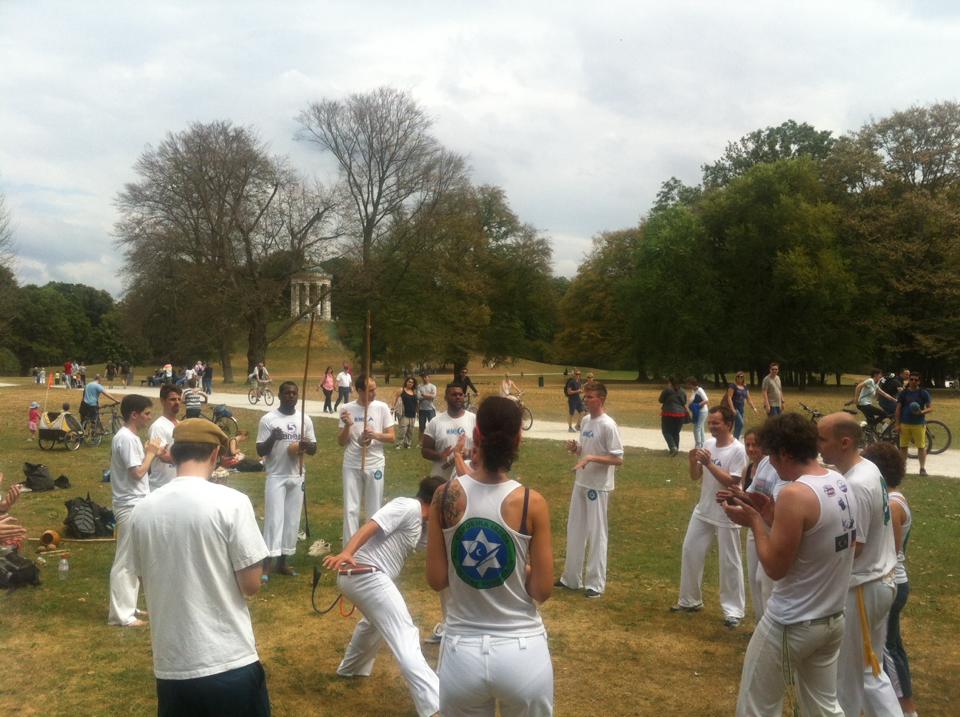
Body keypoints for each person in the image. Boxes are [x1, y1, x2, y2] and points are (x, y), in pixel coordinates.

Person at [128, 419, 270, 717]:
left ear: (174, 454)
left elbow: (144, 578)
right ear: (215, 454)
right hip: (228, 658)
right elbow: (251, 584)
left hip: (172, 667)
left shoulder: (141, 511)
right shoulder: (233, 503)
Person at [722, 412, 857, 717]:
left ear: (784, 453)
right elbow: (815, 540)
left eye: (771, 456)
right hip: (832, 618)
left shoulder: (795, 494)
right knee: (824, 708)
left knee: (756, 706)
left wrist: (755, 521)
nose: (770, 463)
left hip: (792, 621)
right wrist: (770, 515)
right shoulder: (838, 480)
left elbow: (774, 568)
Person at [426, 396, 555, 717]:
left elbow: (437, 579)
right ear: (519, 439)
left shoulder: (444, 496)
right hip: (522, 652)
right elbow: (542, 589)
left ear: (476, 436)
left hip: (461, 652)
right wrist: (515, 567)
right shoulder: (531, 503)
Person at [322, 476, 445, 717]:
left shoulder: (422, 523)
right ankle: (436, 704)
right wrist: (347, 551)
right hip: (365, 573)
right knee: (405, 633)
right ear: (436, 500)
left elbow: (435, 548)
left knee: (373, 623)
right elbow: (373, 524)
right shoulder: (408, 506)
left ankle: (351, 668)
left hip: (361, 576)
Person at [817, 412, 901, 717]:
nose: (818, 445)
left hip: (864, 589)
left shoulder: (855, 484)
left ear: (845, 442)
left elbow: (856, 545)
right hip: (879, 582)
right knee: (869, 672)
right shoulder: (868, 468)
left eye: (822, 439)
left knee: (850, 678)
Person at [671, 406, 747, 628]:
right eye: (710, 422)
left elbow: (732, 482)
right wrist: (692, 462)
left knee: (729, 561)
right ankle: (689, 600)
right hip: (703, 510)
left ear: (729, 424)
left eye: (717, 423)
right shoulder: (708, 444)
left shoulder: (738, 450)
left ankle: (734, 611)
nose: (712, 426)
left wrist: (709, 463)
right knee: (690, 551)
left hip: (727, 511)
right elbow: (696, 477)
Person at [858, 445, 918, 717]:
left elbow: (889, 552)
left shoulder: (892, 504)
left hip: (892, 581)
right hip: (892, 580)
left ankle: (906, 709)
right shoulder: (892, 499)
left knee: (888, 650)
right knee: (891, 646)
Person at [556, 380, 623, 599]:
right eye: (585, 396)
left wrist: (592, 458)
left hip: (598, 487)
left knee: (597, 533)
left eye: (590, 397)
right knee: (574, 529)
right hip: (581, 482)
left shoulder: (608, 424)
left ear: (601, 399)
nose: (585, 400)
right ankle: (571, 578)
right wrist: (577, 449)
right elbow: (584, 450)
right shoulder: (585, 421)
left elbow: (617, 458)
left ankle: (595, 583)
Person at [108, 394, 163, 627]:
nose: (149, 418)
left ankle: (130, 606)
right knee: (126, 561)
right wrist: (151, 452)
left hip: (137, 502)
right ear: (134, 414)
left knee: (137, 559)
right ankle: (121, 615)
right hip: (129, 505)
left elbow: (141, 472)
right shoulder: (127, 439)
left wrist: (153, 454)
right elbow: (138, 473)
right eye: (147, 413)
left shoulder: (130, 437)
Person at [256, 381, 317, 577]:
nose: (291, 396)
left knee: (291, 521)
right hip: (276, 475)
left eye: (294, 393)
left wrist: (306, 445)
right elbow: (260, 450)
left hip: (297, 475)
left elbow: (314, 449)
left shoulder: (304, 419)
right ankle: (266, 564)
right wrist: (273, 437)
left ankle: (282, 562)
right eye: (287, 393)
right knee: (274, 520)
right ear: (280, 395)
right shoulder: (269, 419)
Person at [337, 374, 396, 544]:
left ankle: (372, 547)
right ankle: (349, 548)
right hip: (352, 463)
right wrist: (348, 425)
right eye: (370, 390)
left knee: (374, 507)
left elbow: (391, 437)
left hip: (374, 463)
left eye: (375, 389)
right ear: (359, 391)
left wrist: (374, 435)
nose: (374, 393)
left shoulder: (381, 408)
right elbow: (341, 442)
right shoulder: (347, 408)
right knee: (351, 508)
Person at [742, 429, 787, 621]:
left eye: (757, 444)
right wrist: (735, 498)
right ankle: (760, 623)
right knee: (754, 578)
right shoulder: (761, 465)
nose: (752, 449)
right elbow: (750, 492)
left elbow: (776, 506)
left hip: (772, 530)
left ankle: (770, 623)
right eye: (748, 445)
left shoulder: (781, 468)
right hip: (757, 525)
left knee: (766, 580)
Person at [896, 372, 932, 476]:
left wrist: (921, 412)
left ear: (919, 381)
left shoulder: (923, 393)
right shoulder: (903, 393)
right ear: (909, 380)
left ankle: (922, 469)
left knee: (921, 447)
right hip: (905, 423)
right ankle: (902, 469)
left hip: (919, 424)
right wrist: (897, 424)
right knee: (903, 447)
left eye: (916, 380)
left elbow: (930, 408)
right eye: (911, 379)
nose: (913, 381)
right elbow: (898, 409)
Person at [148, 384, 182, 492]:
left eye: (179, 399)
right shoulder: (158, 427)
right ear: (162, 401)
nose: (177, 402)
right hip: (161, 487)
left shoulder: (180, 425)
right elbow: (162, 455)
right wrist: (188, 462)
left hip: (177, 485)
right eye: (172, 399)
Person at [723, 371, 758, 440]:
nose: (740, 378)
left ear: (743, 378)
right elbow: (729, 397)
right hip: (734, 408)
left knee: (738, 425)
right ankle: (734, 439)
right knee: (741, 423)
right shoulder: (733, 386)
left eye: (741, 377)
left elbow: (748, 399)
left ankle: (735, 439)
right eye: (738, 376)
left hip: (741, 408)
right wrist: (732, 409)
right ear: (736, 377)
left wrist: (754, 408)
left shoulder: (745, 387)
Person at [658, 377, 687, 456]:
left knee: (666, 431)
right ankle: (676, 448)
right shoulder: (683, 391)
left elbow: (660, 400)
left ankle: (673, 448)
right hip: (681, 414)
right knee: (676, 432)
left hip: (668, 413)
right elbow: (684, 402)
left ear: (670, 383)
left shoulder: (667, 390)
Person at [394, 377, 419, 449]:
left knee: (410, 431)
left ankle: (407, 444)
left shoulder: (414, 391)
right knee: (403, 429)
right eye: (409, 382)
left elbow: (416, 403)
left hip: (412, 414)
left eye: (412, 382)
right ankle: (398, 444)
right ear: (406, 382)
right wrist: (393, 408)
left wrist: (418, 412)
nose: (410, 383)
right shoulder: (402, 390)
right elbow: (396, 399)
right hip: (404, 414)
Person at [685, 377, 709, 448]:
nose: (687, 386)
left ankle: (698, 445)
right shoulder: (694, 390)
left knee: (696, 428)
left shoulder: (699, 390)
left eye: (688, 384)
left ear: (692, 384)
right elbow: (691, 400)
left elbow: (706, 400)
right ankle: (702, 444)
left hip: (702, 411)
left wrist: (697, 406)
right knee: (700, 427)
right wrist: (688, 406)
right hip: (698, 412)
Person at [416, 372, 437, 442]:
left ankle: (433, 441)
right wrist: (429, 395)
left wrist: (423, 395)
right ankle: (420, 442)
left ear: (429, 377)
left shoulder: (433, 386)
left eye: (425, 377)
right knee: (421, 427)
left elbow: (433, 396)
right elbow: (418, 397)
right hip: (422, 409)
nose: (424, 378)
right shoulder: (419, 386)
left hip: (431, 409)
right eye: (423, 377)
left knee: (433, 426)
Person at [564, 368, 585, 433]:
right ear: (574, 374)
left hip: (578, 399)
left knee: (582, 412)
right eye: (576, 374)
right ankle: (570, 428)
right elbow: (569, 392)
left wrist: (581, 391)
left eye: (579, 374)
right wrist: (577, 391)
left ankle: (577, 426)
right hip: (572, 400)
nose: (578, 375)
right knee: (571, 414)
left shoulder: (579, 381)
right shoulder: (571, 382)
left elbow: (579, 390)